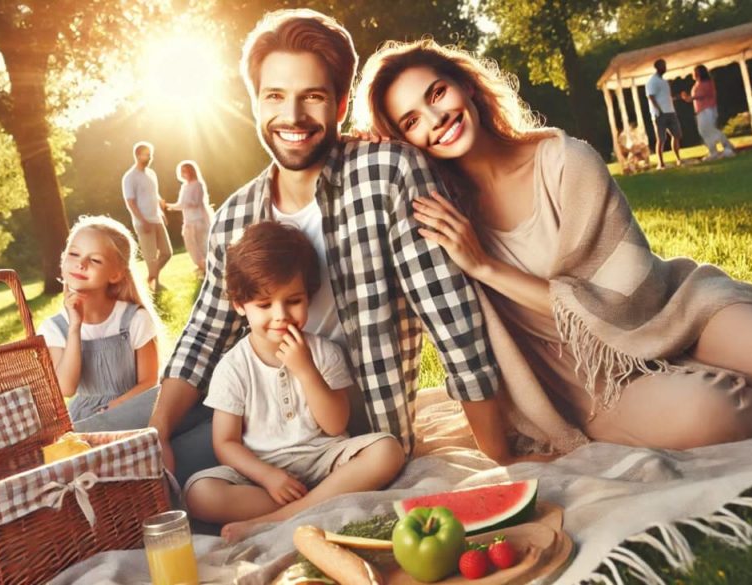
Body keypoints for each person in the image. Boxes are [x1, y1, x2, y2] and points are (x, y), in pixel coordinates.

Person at [353, 39, 752, 458]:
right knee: (724, 412)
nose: (436, 119)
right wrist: (370, 155)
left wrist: (485, 266)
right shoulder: (441, 215)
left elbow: (629, 299)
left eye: (437, 94)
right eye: (411, 121)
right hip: (589, 377)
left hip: (678, 313)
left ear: (467, 87)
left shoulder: (565, 161)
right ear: (403, 141)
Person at [135, 8, 504, 487]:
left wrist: (501, 465)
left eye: (312, 96)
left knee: (170, 484)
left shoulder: (388, 173)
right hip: (255, 430)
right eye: (275, 96)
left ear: (340, 104)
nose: (292, 116)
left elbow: (453, 324)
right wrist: (157, 431)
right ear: (255, 104)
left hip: (352, 442)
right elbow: (204, 336)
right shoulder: (236, 215)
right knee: (111, 443)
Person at [184, 222, 404, 542]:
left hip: (326, 461)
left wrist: (306, 371)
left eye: (293, 300)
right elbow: (225, 442)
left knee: (388, 450)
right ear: (238, 304)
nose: (280, 315)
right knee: (199, 494)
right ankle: (316, 504)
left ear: (309, 295)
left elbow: (335, 424)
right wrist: (268, 476)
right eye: (264, 304)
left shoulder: (323, 353)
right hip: (265, 474)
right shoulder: (232, 367)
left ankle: (278, 520)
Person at [37, 215, 161, 424]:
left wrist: (118, 407)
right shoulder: (54, 328)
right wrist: (74, 328)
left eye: (95, 260)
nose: (81, 264)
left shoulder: (134, 319)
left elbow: (149, 381)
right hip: (87, 419)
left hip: (135, 410)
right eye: (74, 254)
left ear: (116, 274)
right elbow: (67, 388)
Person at [121, 141, 173, 291]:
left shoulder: (151, 174)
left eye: (150, 154)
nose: (150, 157)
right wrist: (142, 220)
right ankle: (154, 286)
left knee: (167, 253)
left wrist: (161, 212)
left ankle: (150, 278)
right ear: (137, 155)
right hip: (143, 222)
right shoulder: (130, 177)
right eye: (146, 154)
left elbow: (155, 195)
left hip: (156, 218)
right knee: (151, 258)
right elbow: (130, 202)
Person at [166, 160, 214, 276]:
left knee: (202, 245)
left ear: (191, 171)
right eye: (181, 171)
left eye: (185, 171)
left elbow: (196, 202)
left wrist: (183, 205)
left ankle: (207, 268)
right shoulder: (184, 186)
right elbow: (181, 204)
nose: (183, 173)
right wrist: (169, 206)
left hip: (198, 220)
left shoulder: (198, 184)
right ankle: (203, 267)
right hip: (189, 221)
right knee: (192, 246)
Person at [680, 65, 736, 160]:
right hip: (701, 110)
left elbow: (702, 94)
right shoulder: (697, 84)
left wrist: (690, 98)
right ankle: (713, 151)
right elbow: (695, 97)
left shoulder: (706, 82)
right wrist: (688, 98)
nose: (693, 73)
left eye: (694, 71)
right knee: (704, 131)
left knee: (709, 130)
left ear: (699, 73)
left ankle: (727, 145)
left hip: (707, 110)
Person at [645, 59, 684, 169]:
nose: (665, 68)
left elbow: (665, 97)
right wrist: (659, 110)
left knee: (677, 135)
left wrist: (677, 98)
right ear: (658, 67)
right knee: (661, 139)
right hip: (660, 114)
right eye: (663, 66)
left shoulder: (664, 82)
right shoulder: (652, 81)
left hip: (671, 111)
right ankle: (661, 163)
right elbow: (651, 97)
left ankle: (678, 159)